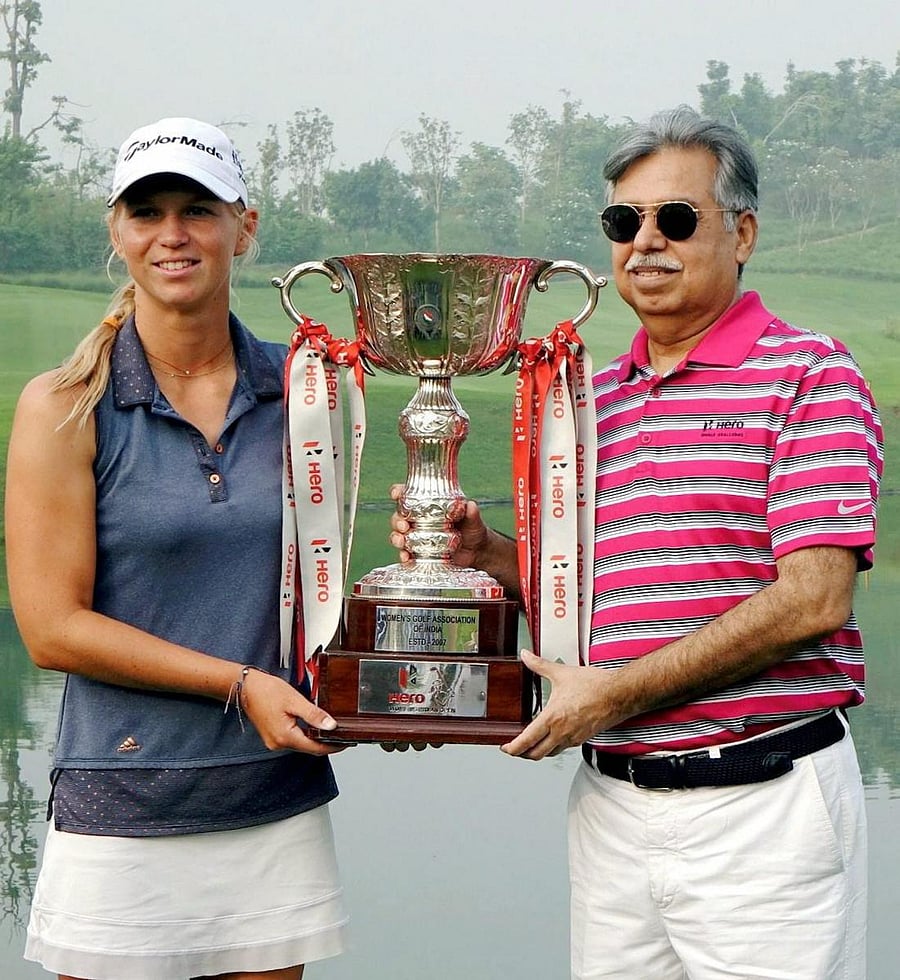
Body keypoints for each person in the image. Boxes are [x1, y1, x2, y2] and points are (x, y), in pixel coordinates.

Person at [391, 106, 883, 979]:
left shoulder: (811, 372)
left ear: (744, 234)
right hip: (613, 807)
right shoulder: (593, 406)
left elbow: (814, 598)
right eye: (625, 222)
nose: (646, 241)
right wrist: (485, 557)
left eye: (676, 218)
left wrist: (614, 693)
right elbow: (596, 585)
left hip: (762, 805)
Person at [5, 117, 349, 980]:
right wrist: (240, 685)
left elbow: (324, 587)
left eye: (198, 209)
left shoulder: (308, 390)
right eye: (147, 211)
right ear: (117, 232)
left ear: (246, 225)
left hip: (269, 797)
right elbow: (51, 629)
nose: (173, 234)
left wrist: (402, 687)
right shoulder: (63, 405)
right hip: (121, 804)